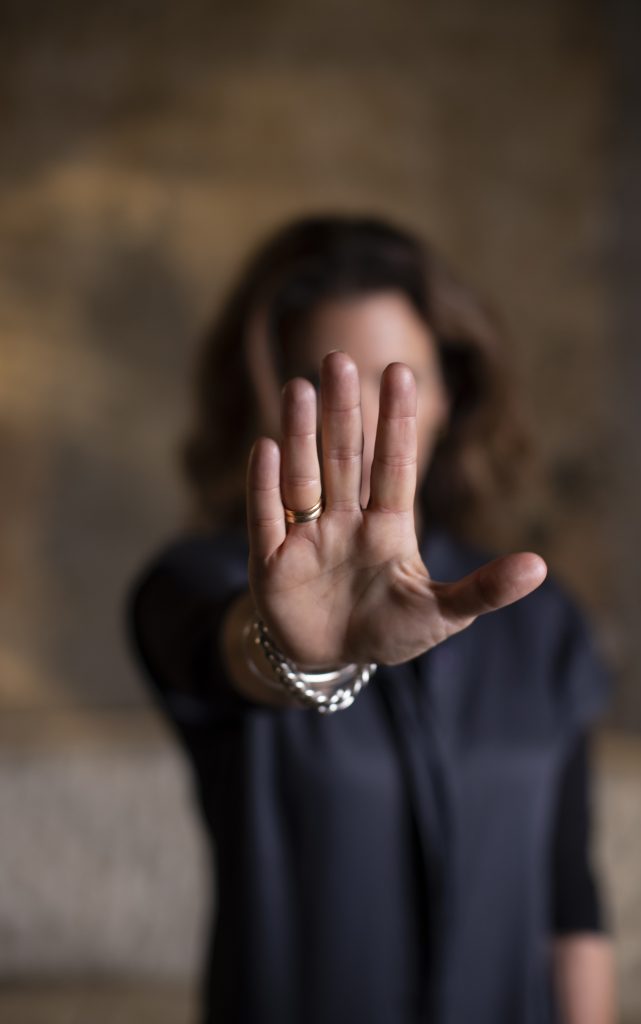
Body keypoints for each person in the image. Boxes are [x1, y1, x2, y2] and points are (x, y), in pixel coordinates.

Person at [124, 214, 615, 1024]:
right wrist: (301, 657)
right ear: (267, 400)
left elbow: (569, 896)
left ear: (450, 393)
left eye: (399, 382)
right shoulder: (194, 585)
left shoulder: (537, 619)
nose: (364, 416)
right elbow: (227, 654)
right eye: (325, 389)